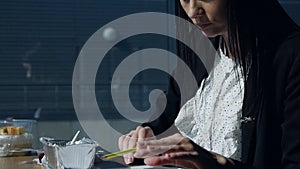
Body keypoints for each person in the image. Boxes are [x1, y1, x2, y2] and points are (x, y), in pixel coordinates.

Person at [119, 0, 300, 168]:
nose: (192, 11)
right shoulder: (199, 52)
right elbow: (163, 122)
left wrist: (212, 161)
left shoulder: (291, 56)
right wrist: (144, 138)